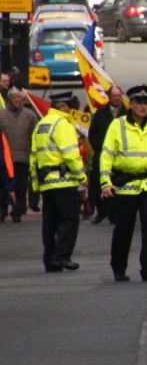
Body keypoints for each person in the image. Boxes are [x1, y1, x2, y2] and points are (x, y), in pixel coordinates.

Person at [101, 85, 147, 282]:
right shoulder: (118, 125)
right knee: (124, 228)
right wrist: (105, 182)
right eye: (139, 103)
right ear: (130, 104)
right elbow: (106, 155)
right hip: (126, 185)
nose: (143, 106)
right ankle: (119, 268)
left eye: (146, 103)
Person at [30, 92, 88, 272]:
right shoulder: (63, 124)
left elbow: (33, 159)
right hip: (64, 181)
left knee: (50, 223)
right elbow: (71, 154)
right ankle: (62, 256)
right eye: (69, 107)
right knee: (70, 219)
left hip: (47, 182)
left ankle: (50, 260)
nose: (71, 111)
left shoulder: (41, 125)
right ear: (62, 107)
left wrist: (36, 185)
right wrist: (82, 178)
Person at [88, 86, 127, 225]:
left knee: (118, 183)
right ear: (109, 97)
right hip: (102, 154)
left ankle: (115, 214)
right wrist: (103, 146)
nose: (117, 98)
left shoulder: (127, 114)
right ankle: (101, 211)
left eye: (119, 95)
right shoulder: (100, 113)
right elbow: (92, 134)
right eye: (114, 95)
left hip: (121, 155)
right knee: (100, 182)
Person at [0, 87, 39, 221]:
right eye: (14, 98)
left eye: (19, 97)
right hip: (5, 158)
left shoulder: (30, 115)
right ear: (9, 100)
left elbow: (36, 136)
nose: (17, 100)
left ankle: (18, 210)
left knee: (21, 187)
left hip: (23, 157)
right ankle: (2, 209)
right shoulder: (1, 115)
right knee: (3, 186)